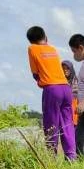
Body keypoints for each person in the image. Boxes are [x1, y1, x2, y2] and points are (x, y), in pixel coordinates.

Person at [27, 26, 76, 160]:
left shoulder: (32, 48)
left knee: (51, 124)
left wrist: (40, 81)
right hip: (66, 88)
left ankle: (51, 158)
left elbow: (35, 74)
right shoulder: (53, 48)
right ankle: (71, 158)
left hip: (52, 89)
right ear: (45, 37)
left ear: (31, 40)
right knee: (67, 124)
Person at [61, 60, 79, 126]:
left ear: (71, 69)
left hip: (74, 111)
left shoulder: (76, 81)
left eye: (67, 68)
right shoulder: (60, 82)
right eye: (63, 68)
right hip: (63, 111)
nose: (65, 70)